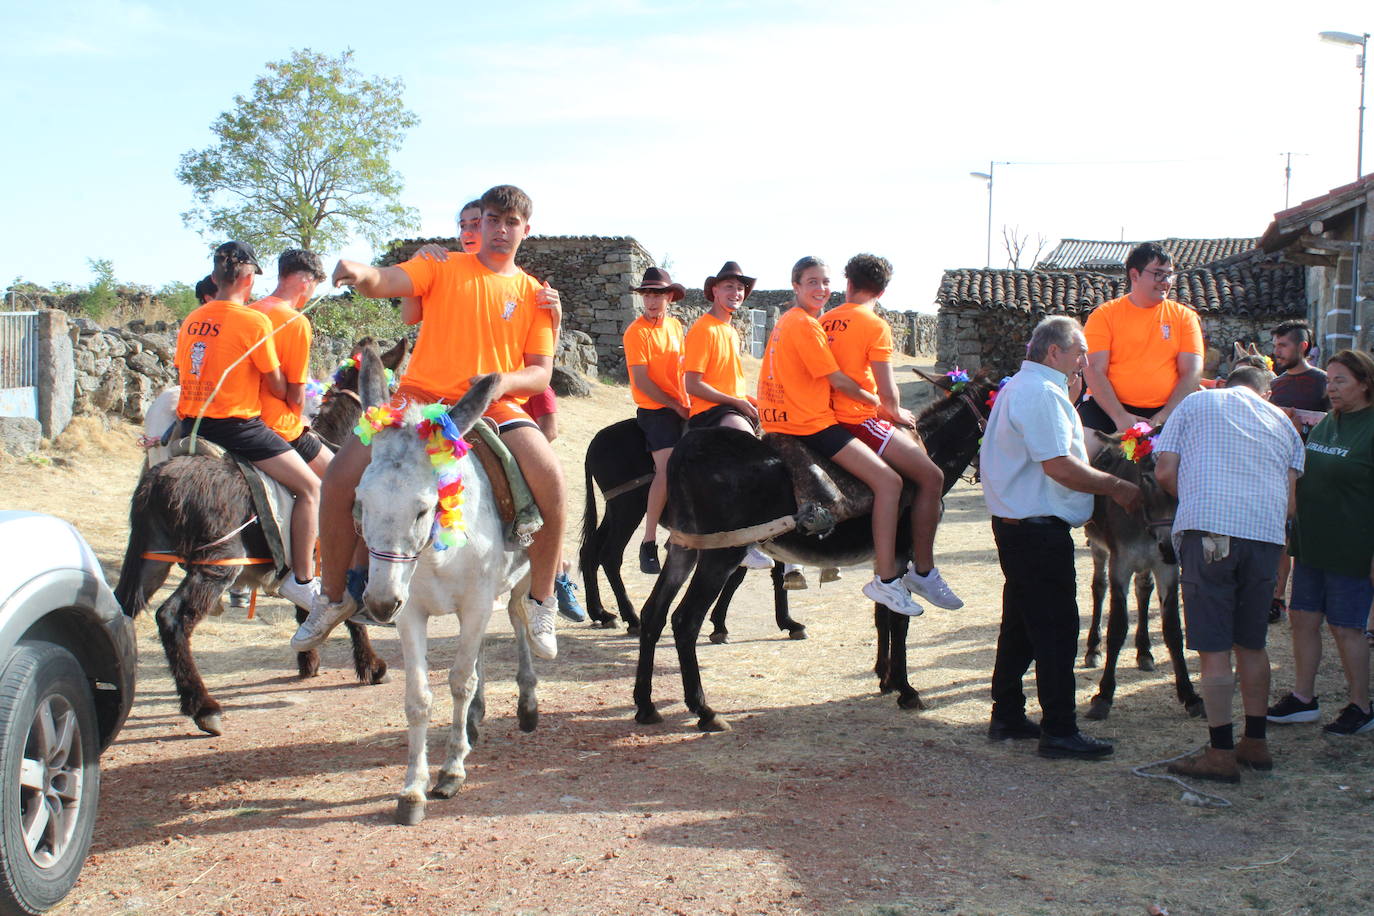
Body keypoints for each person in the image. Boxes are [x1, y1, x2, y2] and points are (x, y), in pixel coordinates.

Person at [294, 185, 566, 659]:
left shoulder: (534, 295)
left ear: (526, 229)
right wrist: (359, 272)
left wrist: (500, 382)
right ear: (477, 224)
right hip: (415, 399)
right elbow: (386, 280)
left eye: (511, 223)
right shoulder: (441, 265)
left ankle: (543, 600)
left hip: (492, 403)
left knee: (553, 482)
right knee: (337, 478)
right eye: (492, 220)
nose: (500, 231)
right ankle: (332, 597)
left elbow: (540, 372)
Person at [403, 198, 584, 622]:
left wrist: (553, 324)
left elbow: (539, 358)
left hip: (508, 380)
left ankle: (551, 576)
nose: (472, 230)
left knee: (543, 455)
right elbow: (411, 313)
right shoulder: (442, 269)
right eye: (466, 223)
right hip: (445, 384)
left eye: (475, 222)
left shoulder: (521, 285)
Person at [981, 315, 1139, 760]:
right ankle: (1060, 729)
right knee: (1055, 630)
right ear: (1055, 352)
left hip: (1023, 526)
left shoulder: (1026, 387)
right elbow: (1060, 467)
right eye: (1079, 351)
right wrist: (1118, 486)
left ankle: (1008, 713)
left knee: (1023, 627)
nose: (1086, 360)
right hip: (1035, 530)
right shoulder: (1038, 393)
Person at [1152, 366, 1304, 781]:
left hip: (1212, 533)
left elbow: (1165, 472)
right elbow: (1290, 504)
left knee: (1215, 649)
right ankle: (1255, 743)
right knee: (1251, 644)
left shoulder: (1198, 402)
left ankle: (1220, 752)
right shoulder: (1284, 426)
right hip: (1265, 537)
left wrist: (1203, 499)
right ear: (1266, 393)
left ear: (1223, 384)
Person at [755, 256, 923, 617]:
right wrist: (877, 402)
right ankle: (888, 577)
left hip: (783, 420)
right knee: (890, 483)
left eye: (825, 282)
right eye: (812, 282)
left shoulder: (793, 321)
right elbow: (839, 380)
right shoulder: (806, 325)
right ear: (796, 287)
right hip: (810, 423)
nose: (820, 289)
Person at [174, 241, 321, 610]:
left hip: (189, 424)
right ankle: (302, 580)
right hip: (234, 424)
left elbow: (185, 369)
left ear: (214, 277)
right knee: (311, 489)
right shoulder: (254, 321)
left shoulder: (194, 318)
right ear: (249, 278)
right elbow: (276, 384)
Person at [822, 253, 962, 610]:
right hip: (856, 417)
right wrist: (897, 413)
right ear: (882, 292)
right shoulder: (874, 324)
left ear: (847, 283)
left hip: (822, 417)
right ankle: (923, 571)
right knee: (931, 477)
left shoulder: (823, 320)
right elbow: (886, 393)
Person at [1268, 349, 1374, 737]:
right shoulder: (1329, 424)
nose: (1331, 388)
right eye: (1328, 380)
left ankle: (1361, 705)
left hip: (1352, 547)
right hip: (1312, 543)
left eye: (1341, 380)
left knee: (1346, 629)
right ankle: (1303, 698)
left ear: (1364, 383)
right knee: (1302, 620)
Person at [683, 261, 772, 571]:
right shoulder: (703, 329)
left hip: (729, 404)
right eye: (729, 286)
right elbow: (692, 384)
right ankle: (739, 539)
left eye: (740, 287)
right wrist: (735, 400)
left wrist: (752, 400)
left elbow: (728, 381)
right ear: (714, 290)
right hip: (709, 413)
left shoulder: (730, 331)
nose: (737, 292)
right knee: (748, 449)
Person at [1079, 242, 1203, 434]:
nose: (1166, 281)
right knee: (1080, 451)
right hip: (1107, 409)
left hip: (1169, 411)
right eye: (1158, 274)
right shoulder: (1104, 315)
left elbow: (1192, 372)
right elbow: (1094, 369)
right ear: (1134, 275)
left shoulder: (1185, 317)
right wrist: (1119, 416)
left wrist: (1166, 414)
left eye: (1169, 274)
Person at [623, 266, 690, 575]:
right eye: (647, 295)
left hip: (681, 404)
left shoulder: (676, 327)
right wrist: (676, 406)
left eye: (657, 295)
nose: (651, 301)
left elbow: (683, 370)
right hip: (656, 409)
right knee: (665, 469)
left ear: (669, 298)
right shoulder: (636, 332)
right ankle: (648, 542)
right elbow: (643, 381)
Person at [1266, 319, 1329, 623]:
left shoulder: (1323, 383)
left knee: (1312, 536)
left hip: (1317, 472)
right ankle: (1276, 598)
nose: (1276, 351)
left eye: (1283, 345)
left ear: (1302, 347)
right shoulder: (1274, 386)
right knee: (1279, 536)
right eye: (1275, 345)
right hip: (1278, 471)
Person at [251, 249, 331, 476]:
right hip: (274, 421)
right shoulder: (296, 322)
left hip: (240, 415)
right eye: (315, 284)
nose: (313, 292)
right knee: (336, 478)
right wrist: (299, 417)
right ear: (306, 281)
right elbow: (296, 393)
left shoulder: (248, 312)